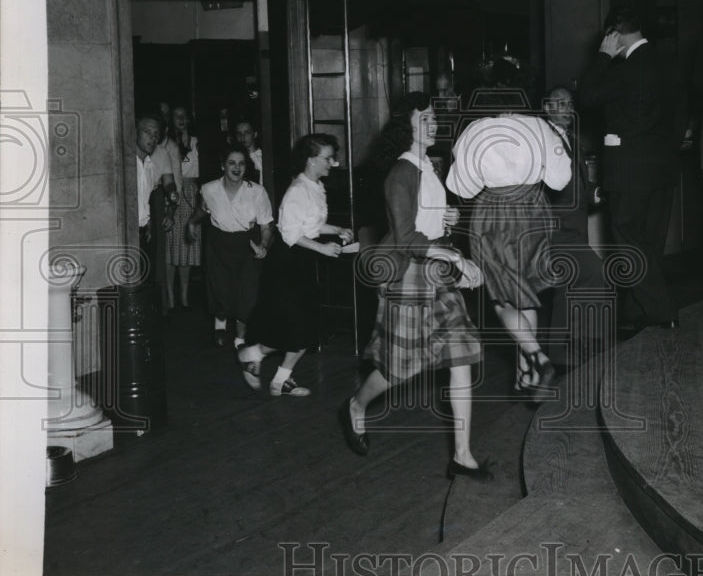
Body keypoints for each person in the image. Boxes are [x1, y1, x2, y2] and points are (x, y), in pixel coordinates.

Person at [342, 93, 489, 480]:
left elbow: (426, 223)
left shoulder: (428, 166)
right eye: (424, 118)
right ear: (406, 126)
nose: (433, 122)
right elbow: (406, 237)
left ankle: (462, 454)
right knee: (400, 368)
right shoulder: (401, 173)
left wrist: (446, 218)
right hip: (408, 274)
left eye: (434, 116)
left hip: (435, 271)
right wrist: (456, 258)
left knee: (461, 355)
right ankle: (358, 405)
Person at [446, 98, 572, 401]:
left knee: (503, 299)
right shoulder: (540, 126)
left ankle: (538, 360)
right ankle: (524, 373)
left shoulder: (475, 130)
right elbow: (560, 180)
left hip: (496, 212)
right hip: (534, 210)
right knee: (525, 295)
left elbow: (461, 187)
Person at [578, 6, 681, 331]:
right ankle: (636, 311)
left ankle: (662, 310)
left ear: (614, 35)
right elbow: (681, 113)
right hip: (663, 167)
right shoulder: (667, 62)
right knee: (648, 241)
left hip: (629, 171)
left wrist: (603, 58)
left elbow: (587, 96)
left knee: (627, 240)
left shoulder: (622, 69)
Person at [237, 134, 354, 397]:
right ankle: (252, 354)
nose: (332, 163)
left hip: (302, 260)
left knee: (306, 327)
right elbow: (290, 233)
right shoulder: (297, 191)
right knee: (293, 326)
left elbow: (309, 225)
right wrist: (323, 247)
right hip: (286, 264)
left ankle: (280, 380)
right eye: (327, 158)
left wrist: (337, 229)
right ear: (311, 160)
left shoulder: (314, 187)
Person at [542, 86, 610, 365]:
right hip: (556, 230)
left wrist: (601, 193)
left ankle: (558, 355)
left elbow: (581, 184)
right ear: (546, 108)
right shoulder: (541, 140)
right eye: (559, 103)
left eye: (569, 103)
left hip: (575, 228)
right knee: (595, 273)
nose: (566, 108)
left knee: (566, 289)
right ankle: (588, 348)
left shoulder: (573, 139)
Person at [186, 146, 273, 350]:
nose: (237, 168)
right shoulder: (209, 189)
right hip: (219, 244)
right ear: (223, 165)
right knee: (220, 291)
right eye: (232, 163)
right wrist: (191, 223)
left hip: (248, 244)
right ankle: (220, 321)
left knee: (248, 294)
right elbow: (202, 210)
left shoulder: (257, 192)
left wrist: (263, 245)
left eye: (242, 163)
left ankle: (240, 340)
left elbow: (266, 226)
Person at [163, 106, 201, 310]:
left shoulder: (196, 142)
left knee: (186, 247)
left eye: (184, 115)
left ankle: (184, 296)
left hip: (191, 193)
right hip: (172, 193)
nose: (181, 119)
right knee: (170, 248)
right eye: (177, 116)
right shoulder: (166, 143)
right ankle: (170, 295)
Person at [135, 114, 177, 289]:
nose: (152, 138)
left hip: (144, 230)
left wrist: (150, 223)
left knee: (145, 279)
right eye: (147, 132)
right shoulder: (129, 162)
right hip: (128, 233)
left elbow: (146, 199)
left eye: (156, 134)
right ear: (135, 133)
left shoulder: (150, 164)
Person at [233, 119, 263, 184]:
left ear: (255, 134)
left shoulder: (263, 157)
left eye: (247, 133)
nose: (242, 137)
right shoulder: (232, 157)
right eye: (239, 133)